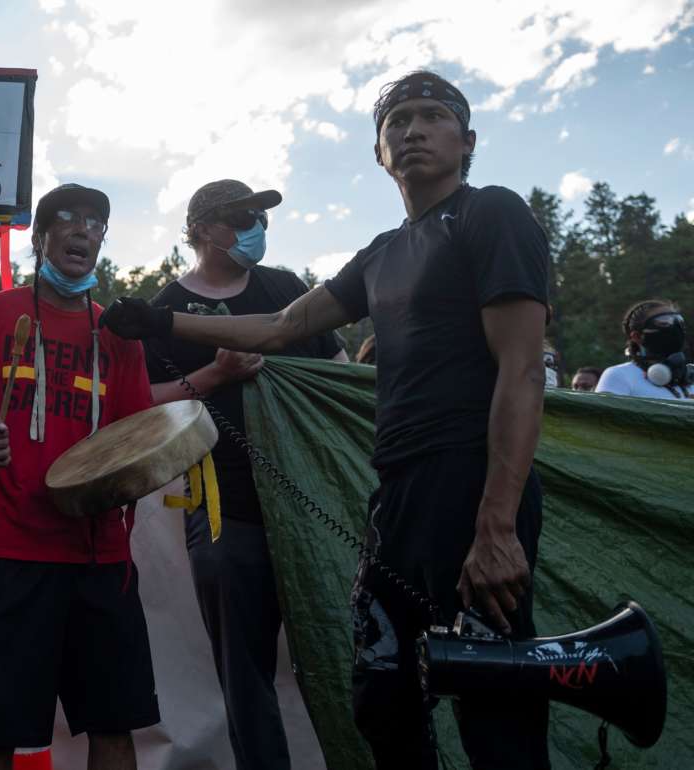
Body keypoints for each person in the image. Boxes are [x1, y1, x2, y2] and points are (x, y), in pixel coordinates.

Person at [101, 70, 551, 769]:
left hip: (471, 482)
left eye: (432, 116)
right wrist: (161, 319)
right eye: (397, 120)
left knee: (494, 705)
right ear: (378, 152)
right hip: (395, 494)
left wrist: (497, 524)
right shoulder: (382, 251)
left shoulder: (492, 213)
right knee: (383, 696)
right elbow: (284, 324)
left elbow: (521, 370)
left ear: (466, 140)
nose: (413, 129)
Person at [0, 183, 159, 770]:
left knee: (114, 724)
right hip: (9, 550)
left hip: (101, 557)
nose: (84, 230)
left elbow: (135, 437)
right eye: (69, 219)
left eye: (96, 223)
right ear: (40, 237)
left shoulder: (119, 334)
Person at [144, 179, 346, 770]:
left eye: (262, 215)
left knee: (341, 649)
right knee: (244, 668)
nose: (259, 225)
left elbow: (338, 371)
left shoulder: (284, 288)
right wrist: (213, 375)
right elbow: (143, 404)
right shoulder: (162, 312)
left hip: (311, 501)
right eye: (244, 216)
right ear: (204, 228)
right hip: (223, 505)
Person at [596, 300, 691, 399]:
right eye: (664, 322)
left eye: (678, 320)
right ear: (637, 336)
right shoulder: (618, 376)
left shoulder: (689, 379)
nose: (675, 327)